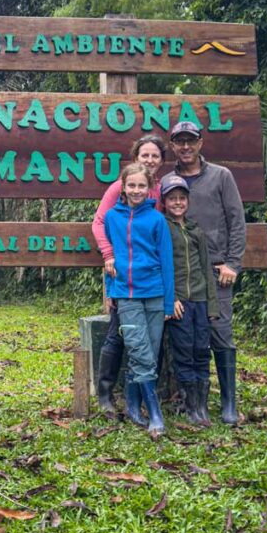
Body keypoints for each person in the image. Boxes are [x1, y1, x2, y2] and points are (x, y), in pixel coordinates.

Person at [169, 120, 246, 424]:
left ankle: (229, 403)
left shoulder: (221, 176)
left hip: (216, 270)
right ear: (173, 146)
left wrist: (233, 263)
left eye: (191, 140)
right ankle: (191, 402)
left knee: (220, 334)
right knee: (187, 338)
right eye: (180, 141)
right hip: (182, 274)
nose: (186, 146)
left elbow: (236, 221)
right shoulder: (170, 181)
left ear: (200, 143)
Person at [92, 134, 166, 419]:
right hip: (123, 276)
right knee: (117, 334)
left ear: (161, 160)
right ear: (136, 157)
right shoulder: (119, 187)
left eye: (155, 155)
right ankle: (106, 394)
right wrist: (109, 254)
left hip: (151, 279)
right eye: (145, 155)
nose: (150, 160)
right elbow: (100, 222)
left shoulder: (160, 189)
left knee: (152, 342)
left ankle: (142, 400)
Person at [103, 161, 174, 436]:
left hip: (154, 294)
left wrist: (168, 302)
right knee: (139, 351)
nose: (136, 190)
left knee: (149, 354)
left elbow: (166, 262)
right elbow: (110, 258)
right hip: (127, 296)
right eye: (131, 185)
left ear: (149, 188)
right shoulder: (112, 217)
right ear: (123, 187)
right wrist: (112, 290)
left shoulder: (157, 219)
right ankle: (155, 413)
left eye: (141, 186)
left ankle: (133, 405)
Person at [160, 172, 219, 425]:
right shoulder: (162, 227)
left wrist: (212, 305)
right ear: (164, 202)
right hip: (179, 302)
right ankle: (190, 406)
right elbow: (161, 266)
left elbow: (206, 267)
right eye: (172, 198)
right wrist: (170, 299)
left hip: (200, 299)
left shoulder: (196, 230)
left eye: (181, 198)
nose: (177, 203)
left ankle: (202, 406)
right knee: (183, 352)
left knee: (201, 351)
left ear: (188, 201)